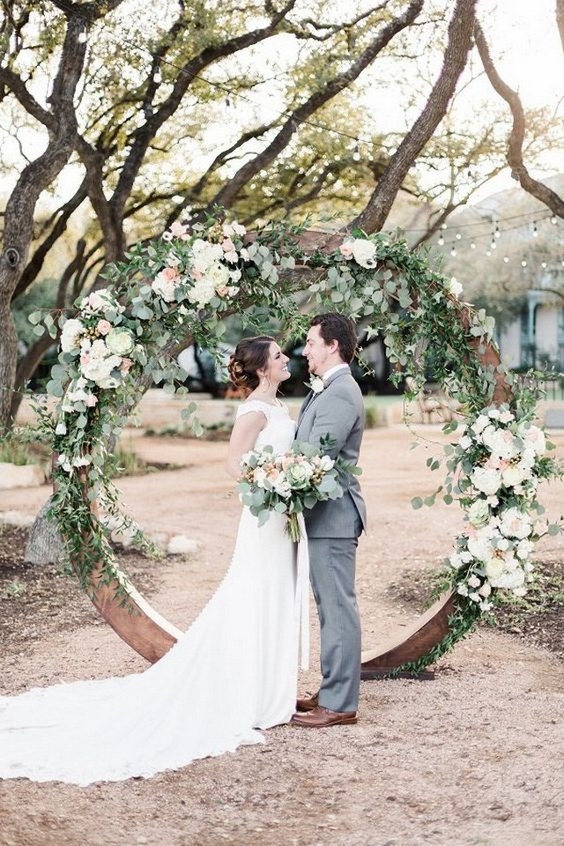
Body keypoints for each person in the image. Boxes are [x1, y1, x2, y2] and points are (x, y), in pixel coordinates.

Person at [0, 336, 307, 785]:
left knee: (276, 595)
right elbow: (233, 463)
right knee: (254, 595)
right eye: (279, 355)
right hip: (265, 516)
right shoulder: (255, 411)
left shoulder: (279, 407)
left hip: (283, 518)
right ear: (262, 368)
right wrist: (273, 484)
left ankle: (269, 691)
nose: (286, 358)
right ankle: (248, 694)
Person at [291, 313, 366, 728]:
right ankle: (332, 687)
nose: (306, 350)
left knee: (337, 608)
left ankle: (339, 703)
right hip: (324, 517)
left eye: (311, 342)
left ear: (333, 345)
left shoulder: (339, 392)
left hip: (334, 516)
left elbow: (316, 459)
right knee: (330, 607)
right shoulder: (330, 388)